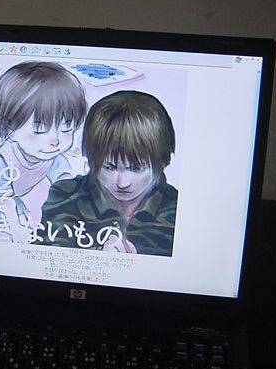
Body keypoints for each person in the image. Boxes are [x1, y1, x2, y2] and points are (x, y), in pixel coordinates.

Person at [40, 90, 178, 256]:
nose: (123, 183)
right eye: (109, 167)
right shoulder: (66, 195)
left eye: (137, 168)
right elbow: (47, 252)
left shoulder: (176, 207)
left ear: (163, 161)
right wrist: (98, 254)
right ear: (91, 160)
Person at [0, 61, 88, 243]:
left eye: (66, 129)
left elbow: (66, 184)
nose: (55, 141)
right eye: (40, 130)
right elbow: (0, 200)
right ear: (9, 127)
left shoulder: (53, 158)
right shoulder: (1, 160)